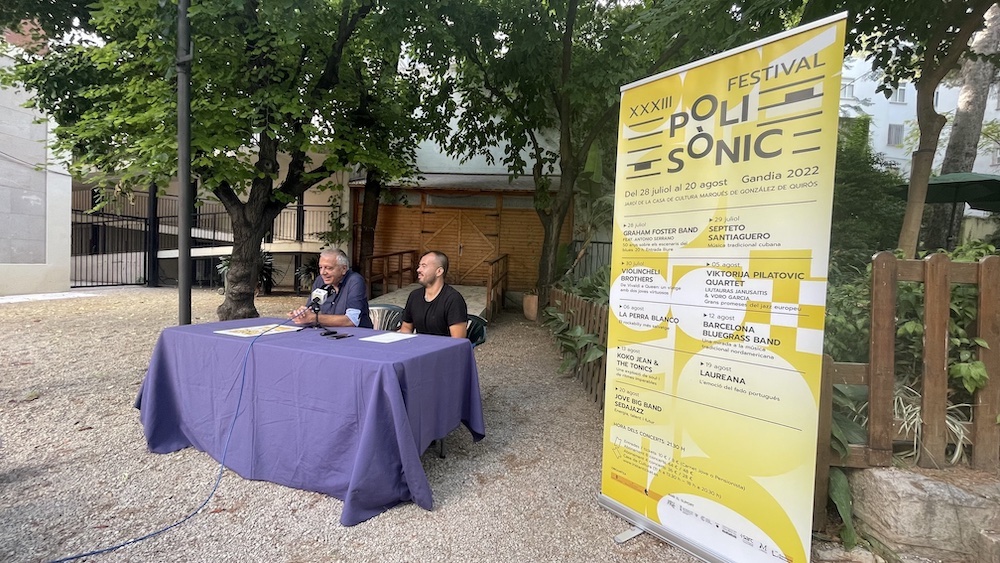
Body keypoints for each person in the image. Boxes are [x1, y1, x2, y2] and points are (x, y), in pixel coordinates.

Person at [288, 249, 373, 328]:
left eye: (329, 268)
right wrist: (302, 314)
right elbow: (311, 309)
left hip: (358, 335)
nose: (323, 273)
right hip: (329, 333)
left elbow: (352, 320)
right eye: (320, 267)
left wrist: (314, 318)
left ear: (343, 269)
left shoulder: (355, 281)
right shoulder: (320, 280)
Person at [400, 250, 468, 338]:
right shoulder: (414, 296)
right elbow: (406, 327)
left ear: (439, 271)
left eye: (424, 266)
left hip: (445, 346)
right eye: (419, 266)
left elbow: (458, 340)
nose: (418, 270)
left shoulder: (453, 299)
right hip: (419, 346)